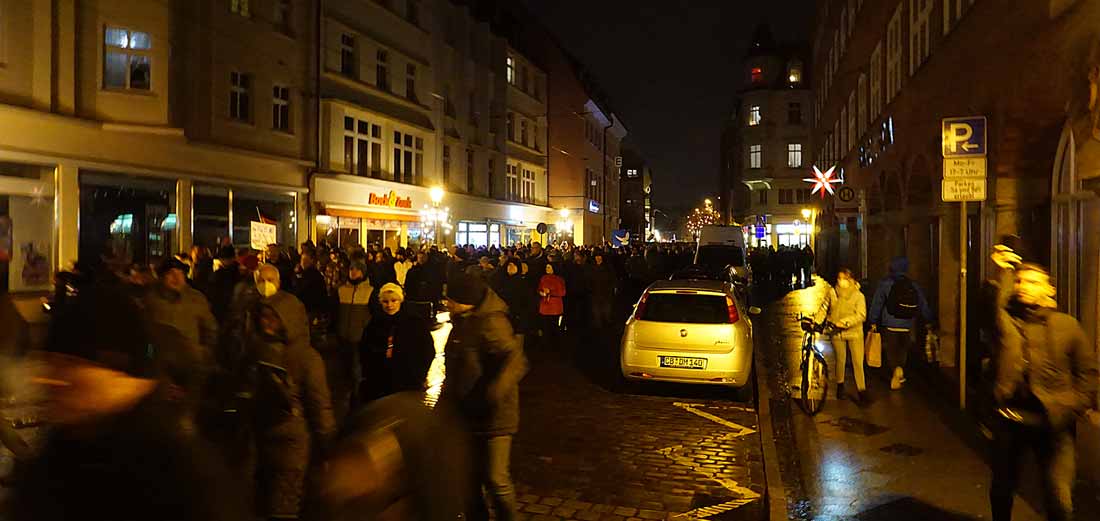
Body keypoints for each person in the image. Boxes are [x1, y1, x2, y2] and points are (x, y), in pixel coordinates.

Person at [988, 255, 1098, 521]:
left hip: (1054, 424)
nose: (1025, 286)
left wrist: (1074, 405)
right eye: (1021, 281)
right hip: (1011, 420)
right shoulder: (1007, 322)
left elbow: (1088, 372)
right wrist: (1004, 271)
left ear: (1050, 290)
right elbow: (995, 305)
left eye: (1034, 282)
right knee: (1002, 488)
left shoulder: (1067, 325)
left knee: (1059, 497)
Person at [440, 269, 527, 521]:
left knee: (496, 479)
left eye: (450, 298)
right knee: (469, 481)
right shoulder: (462, 321)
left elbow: (515, 360)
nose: (446, 302)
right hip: (467, 414)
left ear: (464, 300)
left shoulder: (491, 322)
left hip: (495, 418)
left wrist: (492, 394)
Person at [143, 257, 219, 405]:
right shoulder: (151, 300)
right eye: (171, 273)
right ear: (162, 276)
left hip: (192, 366)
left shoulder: (196, 298)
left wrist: (204, 353)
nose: (176, 277)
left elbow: (211, 330)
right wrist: (151, 361)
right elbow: (146, 334)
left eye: (180, 273)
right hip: (162, 369)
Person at [358, 283, 435, 402]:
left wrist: (419, 375)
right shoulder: (375, 323)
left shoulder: (414, 321)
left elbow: (427, 350)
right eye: (385, 301)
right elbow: (364, 349)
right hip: (380, 380)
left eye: (394, 300)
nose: (390, 305)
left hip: (407, 379)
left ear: (400, 300)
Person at [868, 256, 933, 390]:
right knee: (903, 349)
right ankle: (900, 367)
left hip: (890, 323)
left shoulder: (885, 283)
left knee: (891, 350)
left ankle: (894, 369)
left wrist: (873, 320)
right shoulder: (913, 284)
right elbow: (922, 303)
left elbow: (877, 303)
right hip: (908, 324)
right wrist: (928, 319)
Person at [814, 268, 867, 404]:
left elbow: (861, 315)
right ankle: (840, 386)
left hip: (854, 333)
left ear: (851, 280)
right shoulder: (832, 293)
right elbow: (824, 308)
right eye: (839, 278)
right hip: (836, 332)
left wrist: (845, 322)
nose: (841, 281)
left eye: (844, 278)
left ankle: (861, 391)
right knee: (840, 360)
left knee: (857, 362)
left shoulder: (858, 296)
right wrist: (817, 322)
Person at [333, 261, 375, 418]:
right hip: (343, 336)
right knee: (343, 370)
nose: (353, 272)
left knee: (356, 370)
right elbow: (336, 312)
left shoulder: (370, 291)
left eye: (357, 270)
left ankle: (356, 403)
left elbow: (372, 315)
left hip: (359, 337)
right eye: (351, 269)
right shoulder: (341, 290)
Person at [537, 263, 566, 348]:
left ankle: (555, 344)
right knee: (545, 326)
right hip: (545, 306)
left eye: (549, 267)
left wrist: (551, 292)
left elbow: (562, 292)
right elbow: (539, 288)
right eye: (546, 267)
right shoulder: (543, 278)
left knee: (554, 326)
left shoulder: (559, 279)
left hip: (554, 307)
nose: (547, 269)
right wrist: (541, 292)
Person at [590, 252, 617, 330]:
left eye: (599, 256)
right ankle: (598, 323)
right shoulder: (592, 267)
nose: (598, 258)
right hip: (595, 291)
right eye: (597, 256)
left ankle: (606, 320)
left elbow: (612, 278)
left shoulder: (608, 267)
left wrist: (613, 287)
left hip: (606, 291)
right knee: (597, 309)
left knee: (606, 307)